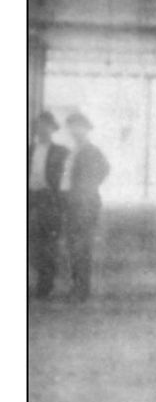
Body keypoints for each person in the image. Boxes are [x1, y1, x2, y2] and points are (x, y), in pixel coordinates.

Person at [62, 111, 111, 302]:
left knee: (82, 246)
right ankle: (77, 286)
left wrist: (89, 187)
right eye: (72, 127)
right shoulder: (73, 150)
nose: (75, 131)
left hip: (85, 204)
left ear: (86, 129)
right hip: (72, 202)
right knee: (73, 246)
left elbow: (105, 169)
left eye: (79, 127)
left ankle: (81, 289)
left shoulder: (91, 150)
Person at [28, 111, 69, 299]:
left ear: (53, 129)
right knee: (31, 244)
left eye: (46, 126)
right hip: (29, 200)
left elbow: (68, 179)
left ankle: (45, 285)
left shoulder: (62, 152)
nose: (42, 129)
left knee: (48, 244)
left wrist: (61, 202)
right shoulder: (28, 150)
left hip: (49, 201)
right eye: (38, 126)